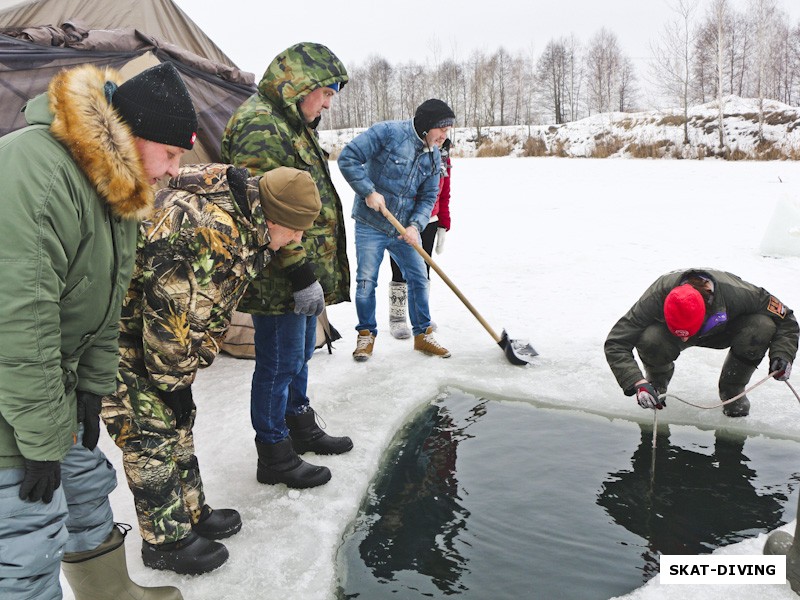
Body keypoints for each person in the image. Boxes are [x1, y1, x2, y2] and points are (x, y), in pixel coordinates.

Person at [0, 61, 197, 600]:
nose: (175, 170)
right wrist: (41, 441)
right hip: (9, 384)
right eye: (173, 154)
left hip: (47, 384)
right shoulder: (36, 170)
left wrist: (92, 387)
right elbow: (22, 320)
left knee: (86, 486)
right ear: (132, 136)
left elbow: (102, 307)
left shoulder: (116, 189)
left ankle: (109, 594)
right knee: (26, 535)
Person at [101, 164, 321, 575]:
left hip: (152, 332)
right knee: (150, 431)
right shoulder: (207, 233)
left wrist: (178, 381)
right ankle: (165, 540)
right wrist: (172, 380)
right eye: (295, 230)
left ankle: (191, 511)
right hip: (120, 333)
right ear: (275, 218)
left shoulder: (245, 219)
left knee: (179, 419)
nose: (297, 239)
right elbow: (172, 318)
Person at [221, 42, 353, 489]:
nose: (329, 102)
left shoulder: (291, 120)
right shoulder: (261, 126)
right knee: (277, 361)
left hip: (297, 265)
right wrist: (299, 272)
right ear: (299, 85)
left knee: (297, 355)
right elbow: (266, 211)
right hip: (276, 273)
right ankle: (274, 453)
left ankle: (300, 424)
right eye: (327, 92)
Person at [338, 98, 455, 361]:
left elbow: (428, 197)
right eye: (442, 130)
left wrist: (415, 225)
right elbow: (348, 158)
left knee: (419, 278)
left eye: (448, 132)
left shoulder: (434, 156)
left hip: (403, 229)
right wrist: (367, 191)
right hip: (371, 223)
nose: (444, 137)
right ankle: (366, 335)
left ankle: (423, 335)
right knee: (366, 280)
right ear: (427, 126)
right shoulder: (388, 133)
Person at [605, 268, 799, 417]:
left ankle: (733, 390)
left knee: (762, 325)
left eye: (686, 333)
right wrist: (636, 381)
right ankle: (656, 386)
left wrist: (782, 355)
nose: (684, 339)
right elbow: (616, 342)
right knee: (650, 338)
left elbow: (786, 320)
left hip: (724, 330)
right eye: (680, 333)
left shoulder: (740, 293)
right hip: (665, 336)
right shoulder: (656, 296)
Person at [388, 137, 453, 339]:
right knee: (400, 270)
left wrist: (443, 223)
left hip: (430, 221)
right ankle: (397, 318)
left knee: (423, 272)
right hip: (404, 221)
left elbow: (444, 193)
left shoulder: (444, 156)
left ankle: (420, 315)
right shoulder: (407, 151)